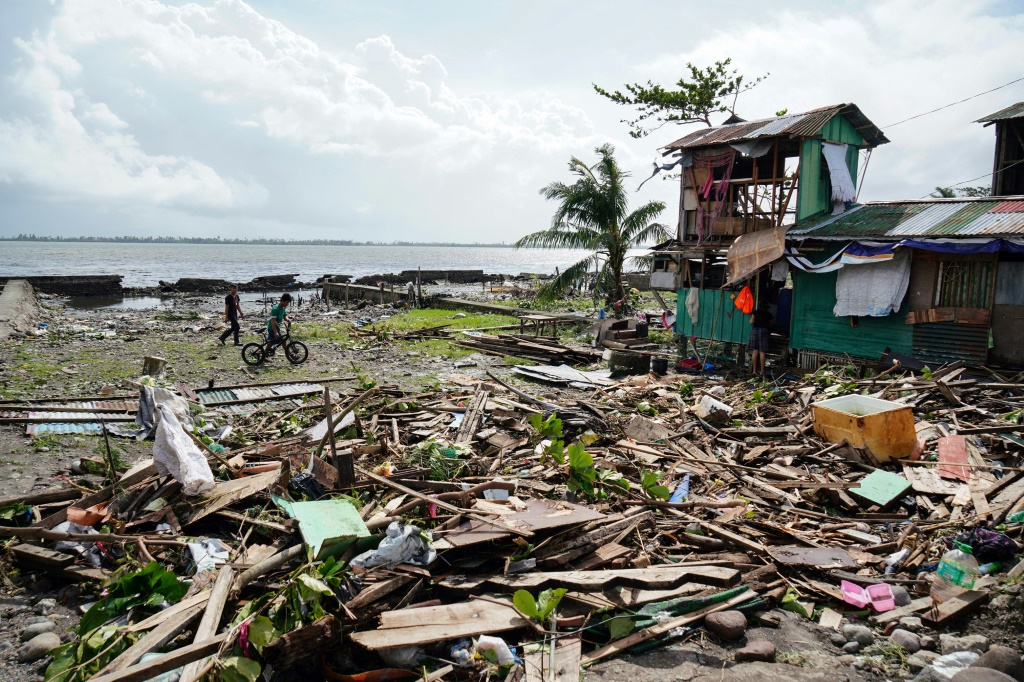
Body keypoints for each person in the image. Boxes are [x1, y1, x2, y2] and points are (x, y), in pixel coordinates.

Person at [748, 302, 773, 379]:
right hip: (764, 331)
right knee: (762, 352)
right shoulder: (769, 314)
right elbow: (771, 324)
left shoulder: (755, 312)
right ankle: (762, 371)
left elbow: (751, 321)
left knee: (755, 351)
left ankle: (754, 371)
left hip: (755, 331)